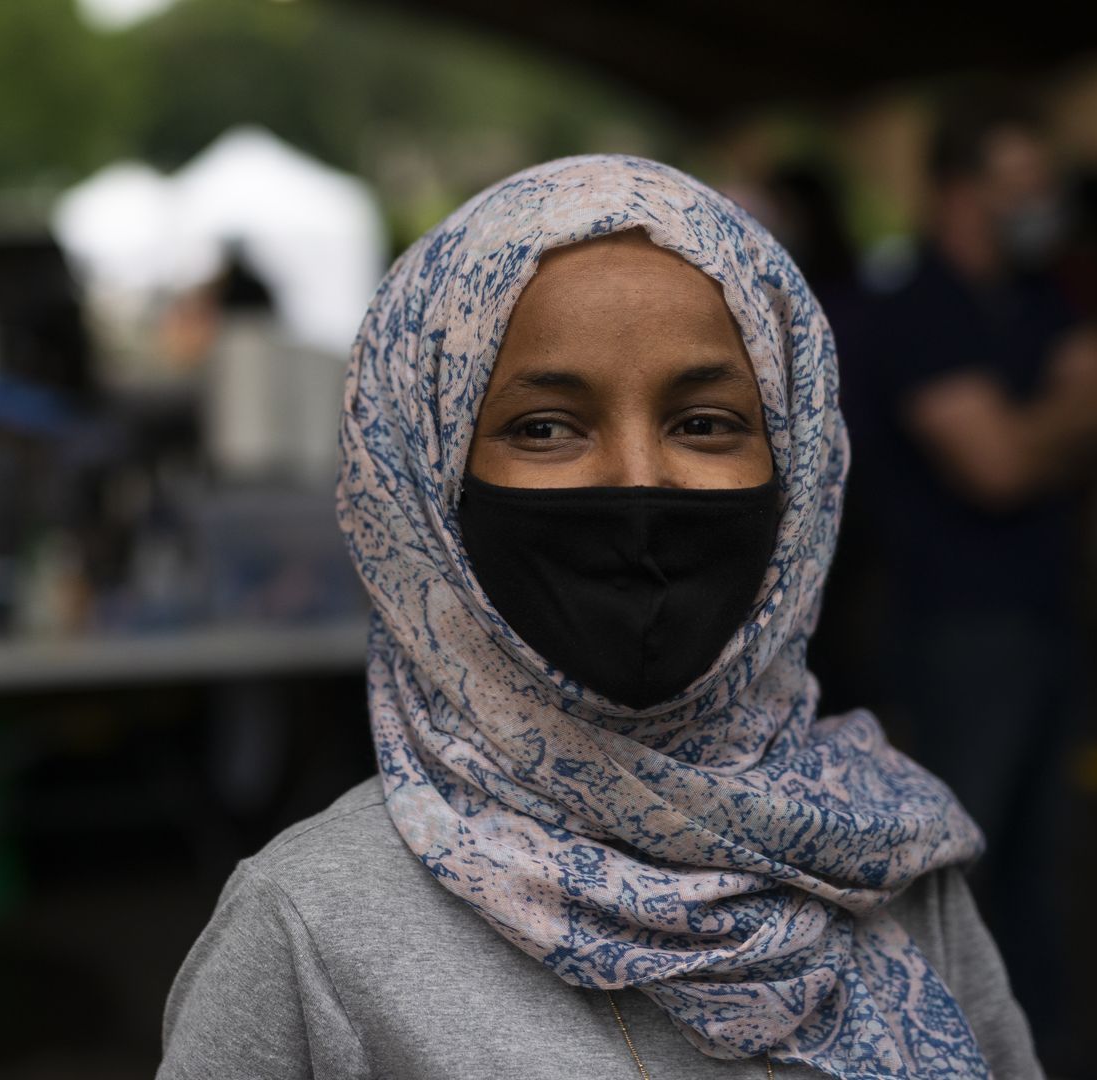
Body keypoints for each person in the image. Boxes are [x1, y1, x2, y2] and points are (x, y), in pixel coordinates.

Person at [159, 156, 1040, 1079]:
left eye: (704, 423)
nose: (639, 480)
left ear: (799, 467)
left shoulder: (887, 859)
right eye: (544, 428)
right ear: (424, 486)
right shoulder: (312, 929)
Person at [857, 99, 1097, 1069]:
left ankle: (1032, 1050)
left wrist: (1038, 428)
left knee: (1036, 866)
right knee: (954, 876)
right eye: (1021, 186)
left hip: (1043, 617)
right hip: (957, 629)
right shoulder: (914, 310)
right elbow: (999, 468)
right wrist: (1071, 424)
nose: (1041, 206)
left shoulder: (1036, 299)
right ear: (960, 193)